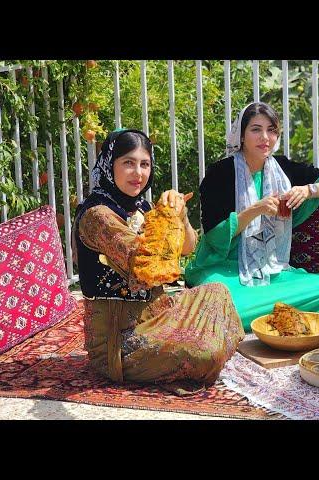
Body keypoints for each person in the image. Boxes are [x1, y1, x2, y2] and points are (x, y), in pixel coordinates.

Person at [72, 128, 244, 385]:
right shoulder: (98, 216)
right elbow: (147, 265)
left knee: (217, 291)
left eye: (145, 164)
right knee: (204, 354)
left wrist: (181, 215)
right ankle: (191, 354)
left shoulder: (141, 206)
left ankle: (187, 346)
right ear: (110, 165)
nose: (138, 173)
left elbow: (188, 248)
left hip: (157, 315)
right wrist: (168, 215)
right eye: (128, 163)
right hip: (122, 341)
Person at [184, 102, 319, 331]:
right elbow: (215, 238)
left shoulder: (282, 168)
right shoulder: (219, 173)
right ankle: (264, 312)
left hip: (272, 270)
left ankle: (245, 315)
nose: (265, 137)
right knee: (218, 301)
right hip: (224, 270)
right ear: (241, 136)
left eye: (271, 130)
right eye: (256, 129)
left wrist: (308, 190)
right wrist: (255, 209)